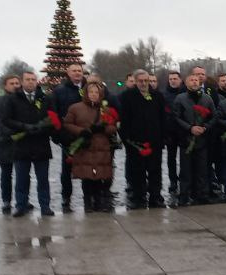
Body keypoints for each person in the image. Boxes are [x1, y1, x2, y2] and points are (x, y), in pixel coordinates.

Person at [3, 71, 55, 217]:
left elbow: (53, 117)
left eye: (33, 79)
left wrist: (42, 127)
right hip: (22, 144)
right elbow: (6, 119)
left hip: (41, 144)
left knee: (43, 179)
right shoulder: (13, 99)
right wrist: (24, 127)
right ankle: (21, 206)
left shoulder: (45, 98)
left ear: (37, 81)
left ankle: (45, 206)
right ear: (22, 82)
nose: (31, 82)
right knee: (21, 179)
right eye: (28, 79)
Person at [63, 81, 118, 212]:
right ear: (86, 93)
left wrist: (104, 128)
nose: (94, 95)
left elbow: (113, 127)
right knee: (87, 176)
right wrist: (81, 131)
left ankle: (98, 201)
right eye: (91, 92)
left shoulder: (106, 110)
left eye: (96, 93)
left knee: (99, 176)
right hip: (85, 146)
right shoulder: (75, 108)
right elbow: (67, 124)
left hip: (101, 146)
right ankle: (87, 202)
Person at [119, 69, 167, 209]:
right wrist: (126, 139)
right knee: (137, 171)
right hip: (135, 142)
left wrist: (163, 137)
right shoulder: (127, 97)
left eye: (146, 80)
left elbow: (163, 118)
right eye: (140, 81)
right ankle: (138, 197)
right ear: (135, 81)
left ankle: (155, 196)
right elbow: (124, 119)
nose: (144, 83)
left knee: (155, 171)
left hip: (154, 141)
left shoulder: (157, 96)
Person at [171, 72, 215, 206]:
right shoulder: (180, 98)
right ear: (186, 82)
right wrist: (190, 128)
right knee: (185, 170)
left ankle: (202, 195)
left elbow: (214, 116)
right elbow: (176, 117)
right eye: (192, 80)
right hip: (186, 140)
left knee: (202, 170)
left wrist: (205, 127)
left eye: (197, 80)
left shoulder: (207, 98)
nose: (195, 82)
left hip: (202, 140)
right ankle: (184, 195)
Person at [53, 63, 89, 211]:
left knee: (88, 168)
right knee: (67, 170)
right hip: (68, 137)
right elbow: (54, 114)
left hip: (88, 135)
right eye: (74, 71)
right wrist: (58, 135)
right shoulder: (60, 91)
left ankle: (89, 197)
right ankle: (66, 197)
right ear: (68, 73)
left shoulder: (89, 88)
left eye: (79, 71)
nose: (77, 73)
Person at [0, 75, 20, 214]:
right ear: (5, 85)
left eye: (17, 83)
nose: (15, 85)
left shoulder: (23, 99)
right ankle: (6, 201)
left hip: (21, 142)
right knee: (6, 174)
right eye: (12, 83)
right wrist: (10, 132)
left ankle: (22, 200)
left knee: (23, 174)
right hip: (5, 141)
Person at [162, 70, 185, 195]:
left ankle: (183, 179)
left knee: (184, 158)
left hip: (183, 130)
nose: (173, 81)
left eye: (175, 79)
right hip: (170, 132)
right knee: (171, 158)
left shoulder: (185, 93)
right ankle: (173, 181)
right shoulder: (164, 95)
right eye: (170, 79)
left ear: (180, 80)